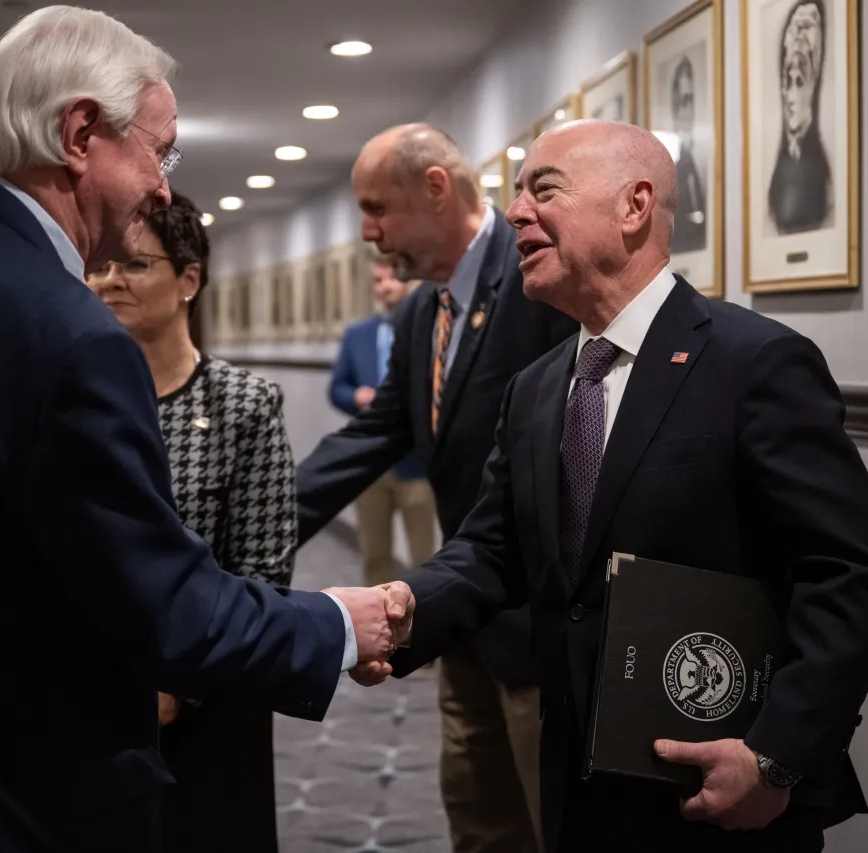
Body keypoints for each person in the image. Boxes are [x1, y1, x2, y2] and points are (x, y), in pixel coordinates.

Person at [0, 8, 410, 853]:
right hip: (0, 797)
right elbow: (166, 609)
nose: (164, 186)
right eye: (161, 150)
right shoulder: (66, 331)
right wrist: (338, 624)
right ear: (81, 132)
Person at [358, 119, 868, 852]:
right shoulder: (537, 389)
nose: (515, 212)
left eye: (542, 189)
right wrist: (403, 610)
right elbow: (491, 550)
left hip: (718, 794)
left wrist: (776, 756)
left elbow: (846, 576)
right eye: (516, 194)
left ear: (634, 206)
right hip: (580, 787)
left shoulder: (757, 364)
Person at [297, 123, 578, 853]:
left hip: (541, 630)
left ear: (435, 188)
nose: (368, 232)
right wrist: (264, 520)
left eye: (377, 208)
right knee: (481, 817)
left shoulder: (538, 285)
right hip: (465, 622)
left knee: (558, 820)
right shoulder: (423, 308)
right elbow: (376, 432)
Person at [86, 193, 293, 853]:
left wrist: (180, 690)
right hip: (90, 700)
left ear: (189, 280)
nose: (110, 280)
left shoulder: (244, 405)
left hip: (213, 704)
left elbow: (263, 576)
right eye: (100, 265)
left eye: (134, 265)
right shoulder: (69, 400)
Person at [329, 254, 437, 587]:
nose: (386, 287)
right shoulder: (358, 334)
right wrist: (356, 397)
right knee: (374, 554)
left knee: (424, 557)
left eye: (392, 278)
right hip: (372, 463)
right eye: (378, 281)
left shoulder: (430, 327)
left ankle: (425, 629)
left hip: (416, 462)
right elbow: (337, 388)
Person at [768, 0, 832, 234]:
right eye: (795, 30)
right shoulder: (776, 173)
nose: (798, 39)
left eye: (806, 28)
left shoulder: (824, 178)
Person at [670, 55, 707, 254]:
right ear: (674, 109)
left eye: (691, 101)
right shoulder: (673, 170)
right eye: (683, 102)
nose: (689, 111)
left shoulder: (696, 163)